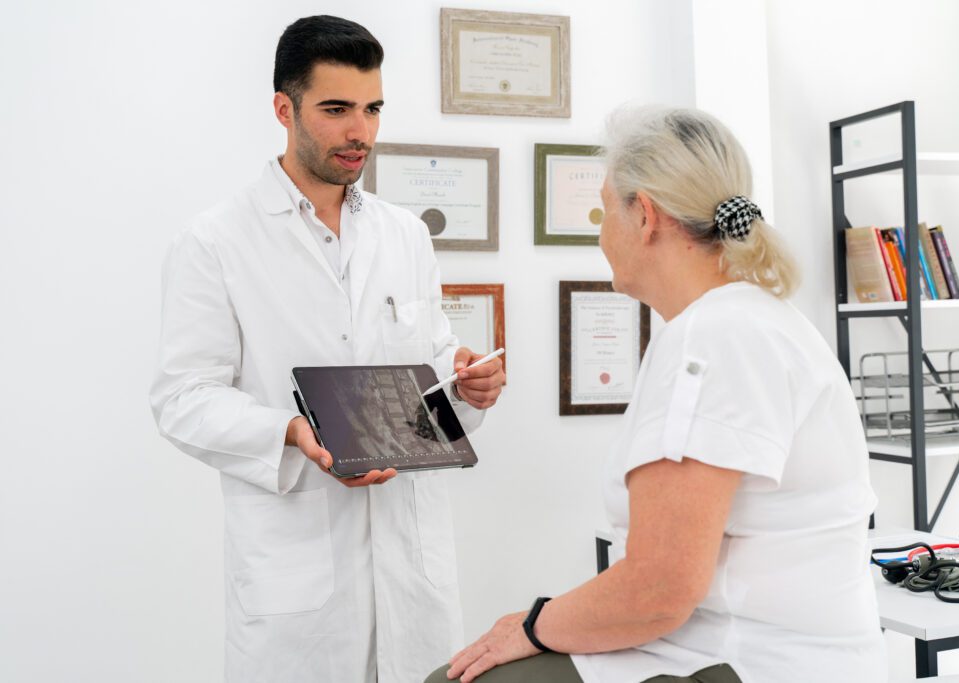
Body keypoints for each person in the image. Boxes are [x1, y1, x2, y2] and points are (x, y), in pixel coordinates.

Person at [427, 108, 885, 683]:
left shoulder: (712, 338)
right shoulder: (745, 319)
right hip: (736, 644)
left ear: (644, 216)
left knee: (462, 678)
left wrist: (529, 625)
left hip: (750, 660)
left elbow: (659, 590)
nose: (600, 234)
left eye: (603, 212)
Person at [150, 15, 505, 683]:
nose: (360, 131)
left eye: (372, 109)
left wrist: (466, 388)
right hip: (298, 590)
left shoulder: (405, 235)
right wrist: (288, 430)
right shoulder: (216, 242)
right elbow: (181, 397)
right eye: (337, 109)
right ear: (284, 108)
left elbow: (429, 377)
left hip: (412, 571)